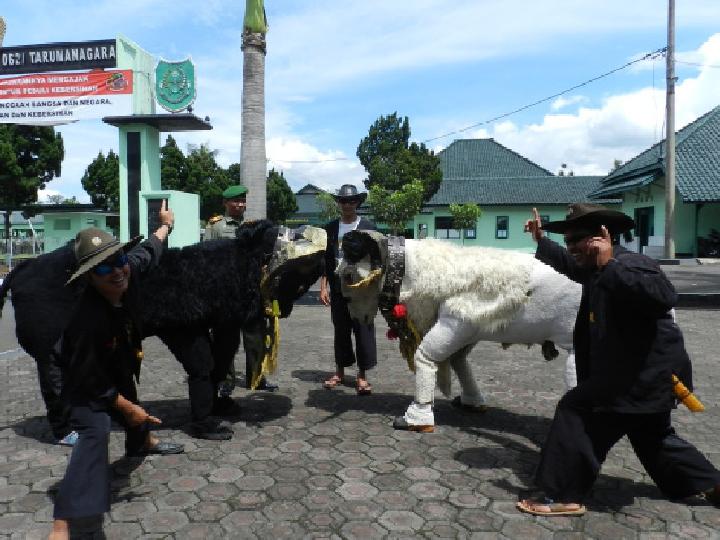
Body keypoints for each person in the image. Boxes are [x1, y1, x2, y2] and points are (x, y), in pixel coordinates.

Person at [516, 203, 720, 516]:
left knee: (576, 411)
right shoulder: (595, 268)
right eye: (568, 242)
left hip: (640, 377)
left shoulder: (632, 264)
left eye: (576, 241)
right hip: (640, 376)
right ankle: (710, 484)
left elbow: (663, 296)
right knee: (654, 438)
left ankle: (563, 495)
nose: (571, 249)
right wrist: (542, 240)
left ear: (601, 236)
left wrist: (611, 265)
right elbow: (571, 266)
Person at [49, 201, 184, 540]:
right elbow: (88, 377)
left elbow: (149, 250)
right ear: (90, 277)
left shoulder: (128, 268)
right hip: (80, 372)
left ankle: (143, 442)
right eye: (104, 269)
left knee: (128, 392)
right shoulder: (85, 319)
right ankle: (62, 524)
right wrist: (123, 406)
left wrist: (165, 225)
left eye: (118, 260)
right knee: (95, 430)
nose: (117, 271)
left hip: (118, 355)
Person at [204, 184, 277, 417]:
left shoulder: (253, 228)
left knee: (255, 337)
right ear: (226, 203)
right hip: (226, 292)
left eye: (243, 201)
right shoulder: (216, 226)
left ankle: (256, 377)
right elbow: (207, 256)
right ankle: (226, 380)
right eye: (235, 201)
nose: (240, 205)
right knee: (225, 338)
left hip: (250, 290)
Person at [319, 184, 377, 395]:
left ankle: (362, 376)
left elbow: (377, 259)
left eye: (351, 201)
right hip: (337, 286)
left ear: (357, 203)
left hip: (361, 289)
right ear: (338, 203)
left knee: (362, 330)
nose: (347, 205)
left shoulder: (368, 227)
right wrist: (323, 287)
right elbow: (326, 260)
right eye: (343, 201)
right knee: (340, 330)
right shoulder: (331, 228)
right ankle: (339, 372)